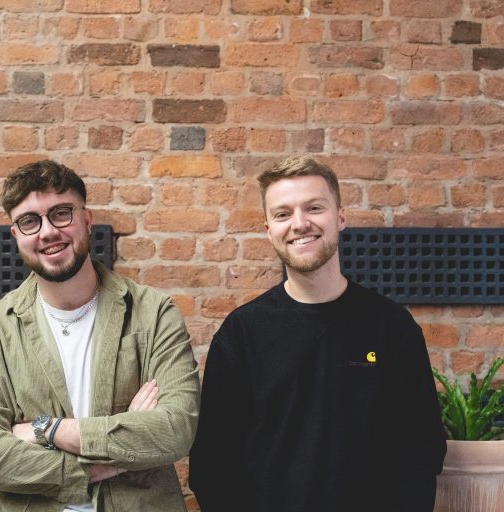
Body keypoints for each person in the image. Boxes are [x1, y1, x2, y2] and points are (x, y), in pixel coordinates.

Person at [189, 155, 447, 511]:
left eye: (314, 207)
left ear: (340, 217)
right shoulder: (241, 335)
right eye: (282, 214)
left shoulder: (392, 327)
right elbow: (212, 466)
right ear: (268, 229)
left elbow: (421, 450)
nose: (299, 223)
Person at [0, 160, 200, 512]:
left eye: (61, 213)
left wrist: (46, 430)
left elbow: (175, 430)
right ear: (17, 236)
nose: (48, 231)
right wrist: (108, 456)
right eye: (30, 221)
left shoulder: (154, 312)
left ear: (86, 219)